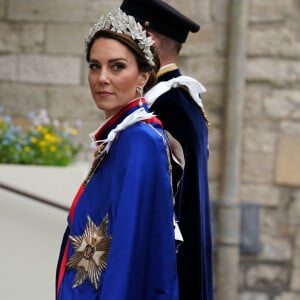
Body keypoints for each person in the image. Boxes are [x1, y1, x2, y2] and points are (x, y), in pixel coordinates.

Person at [55, 8, 181, 299]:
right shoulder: (122, 136)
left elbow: (130, 253)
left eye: (117, 66)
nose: (102, 78)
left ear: (143, 76)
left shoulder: (140, 141)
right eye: (94, 66)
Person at [120, 1, 214, 300]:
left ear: (149, 41)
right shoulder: (176, 100)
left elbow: (158, 202)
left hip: (165, 269)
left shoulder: (166, 105)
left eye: (127, 39)